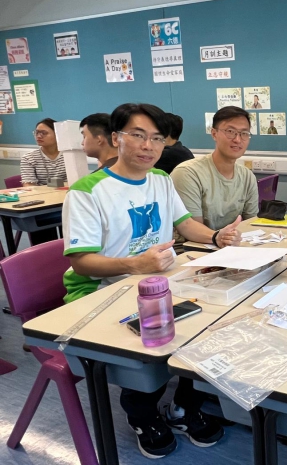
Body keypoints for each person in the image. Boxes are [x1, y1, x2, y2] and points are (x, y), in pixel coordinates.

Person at [62, 103, 244, 458]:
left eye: (157, 138)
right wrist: (135, 264)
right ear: (116, 138)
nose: (148, 146)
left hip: (158, 279)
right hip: (101, 290)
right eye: (138, 135)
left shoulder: (160, 179)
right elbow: (80, 263)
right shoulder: (87, 191)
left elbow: (185, 224)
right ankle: (141, 413)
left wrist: (216, 236)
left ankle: (182, 407)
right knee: (154, 343)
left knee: (218, 324)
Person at [171, 106, 259, 233]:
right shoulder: (188, 173)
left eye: (244, 133)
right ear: (214, 134)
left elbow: (250, 224)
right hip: (194, 244)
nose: (237, 139)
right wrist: (220, 239)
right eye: (230, 131)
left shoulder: (247, 176)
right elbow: (193, 231)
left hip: (232, 242)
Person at [20, 118, 67, 186]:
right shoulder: (29, 158)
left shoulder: (68, 155)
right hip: (40, 192)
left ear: (57, 134)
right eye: (37, 133)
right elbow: (28, 186)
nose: (38, 136)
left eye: (44, 133)